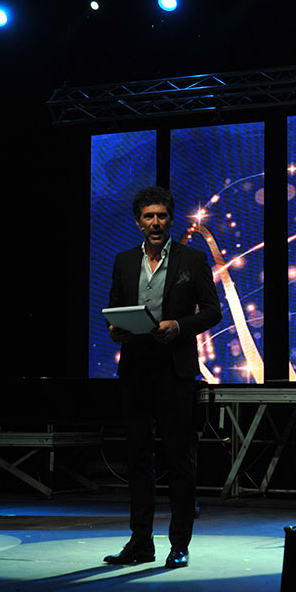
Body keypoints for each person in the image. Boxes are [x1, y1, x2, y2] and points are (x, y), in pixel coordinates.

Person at [105, 187, 222, 569]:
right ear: (138, 222)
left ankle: (179, 545)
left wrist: (179, 326)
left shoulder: (193, 259)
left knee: (178, 458)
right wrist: (115, 329)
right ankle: (140, 543)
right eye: (148, 216)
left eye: (161, 216)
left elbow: (213, 312)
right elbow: (115, 308)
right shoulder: (124, 261)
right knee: (138, 459)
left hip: (175, 370)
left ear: (170, 220)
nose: (155, 222)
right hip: (136, 369)